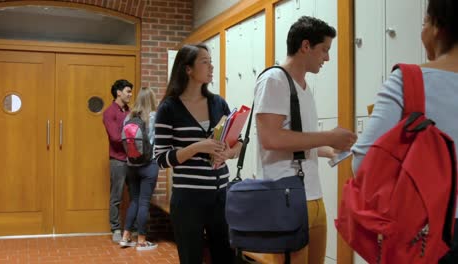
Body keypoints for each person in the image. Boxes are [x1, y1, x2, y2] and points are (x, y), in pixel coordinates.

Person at [351, 0, 458, 262]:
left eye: (423, 22)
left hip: (428, 234)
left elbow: (363, 164)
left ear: (436, 27)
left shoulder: (409, 80)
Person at [253, 16, 357, 264]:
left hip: (312, 194)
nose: (327, 58)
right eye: (324, 50)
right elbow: (270, 138)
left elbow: (298, 139)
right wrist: (329, 136)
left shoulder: (305, 87)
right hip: (285, 195)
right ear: (306, 46)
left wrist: (330, 149)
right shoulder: (274, 80)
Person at [154, 43, 241, 264]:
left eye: (211, 62)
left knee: (225, 257)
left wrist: (228, 153)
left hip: (221, 196)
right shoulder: (169, 108)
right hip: (188, 200)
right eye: (205, 62)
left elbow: (238, 143)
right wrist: (197, 147)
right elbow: (161, 159)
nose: (211, 67)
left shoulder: (218, 103)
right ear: (188, 69)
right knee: (191, 257)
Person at [119, 87, 160, 251]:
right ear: (152, 100)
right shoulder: (154, 117)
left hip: (131, 166)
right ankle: (141, 241)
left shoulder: (128, 117)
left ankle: (125, 237)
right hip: (149, 165)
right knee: (144, 202)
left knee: (134, 201)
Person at [102, 79, 133, 242]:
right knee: (117, 196)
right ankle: (115, 229)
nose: (130, 95)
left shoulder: (130, 111)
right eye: (128, 91)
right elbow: (115, 137)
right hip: (118, 160)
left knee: (135, 195)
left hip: (133, 160)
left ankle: (131, 229)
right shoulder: (109, 112)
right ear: (118, 92)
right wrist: (132, 136)